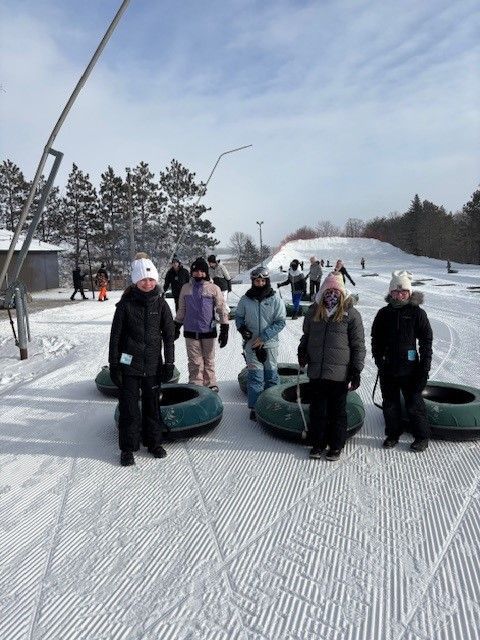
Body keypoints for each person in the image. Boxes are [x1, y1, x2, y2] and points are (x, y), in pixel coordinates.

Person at [109, 256, 175, 466]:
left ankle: (153, 442)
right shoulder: (125, 305)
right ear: (136, 282)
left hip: (153, 365)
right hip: (129, 365)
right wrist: (114, 364)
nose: (148, 283)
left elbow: (168, 336)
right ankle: (128, 448)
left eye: (151, 280)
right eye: (143, 280)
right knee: (129, 408)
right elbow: (115, 337)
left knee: (152, 405)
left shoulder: (161, 304)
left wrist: (169, 363)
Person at [298, 272, 366, 461]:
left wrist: (356, 370)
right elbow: (306, 336)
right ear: (323, 291)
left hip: (339, 374)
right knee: (318, 409)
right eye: (329, 289)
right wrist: (302, 351)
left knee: (337, 411)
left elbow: (358, 345)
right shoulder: (314, 311)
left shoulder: (351, 314)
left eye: (336, 289)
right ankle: (317, 444)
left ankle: (336, 445)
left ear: (342, 292)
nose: (332, 293)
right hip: (317, 371)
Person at [371, 270, 433, 452]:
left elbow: (426, 341)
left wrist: (424, 368)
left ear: (409, 293)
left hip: (411, 369)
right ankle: (392, 434)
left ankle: (422, 436)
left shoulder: (417, 313)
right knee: (390, 404)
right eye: (396, 292)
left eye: (403, 292)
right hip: (388, 368)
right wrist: (378, 359)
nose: (399, 295)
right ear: (391, 293)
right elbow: (376, 338)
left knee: (414, 404)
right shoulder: (383, 313)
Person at [235, 266, 286, 420]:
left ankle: (273, 406)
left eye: (263, 280)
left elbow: (280, 322)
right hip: (251, 346)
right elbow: (238, 317)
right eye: (257, 281)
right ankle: (255, 408)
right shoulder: (245, 299)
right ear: (253, 281)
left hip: (269, 345)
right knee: (256, 377)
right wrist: (242, 329)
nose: (260, 283)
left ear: (267, 281)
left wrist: (263, 337)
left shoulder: (275, 299)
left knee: (271, 376)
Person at [175, 257, 229, 392]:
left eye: (201, 271)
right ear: (192, 272)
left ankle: (210, 383)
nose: (198, 274)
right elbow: (181, 309)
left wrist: (224, 328)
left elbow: (221, 308)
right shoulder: (186, 288)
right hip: (191, 331)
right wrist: (176, 326)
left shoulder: (213, 288)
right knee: (194, 361)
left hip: (208, 331)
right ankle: (196, 383)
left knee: (209, 359)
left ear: (206, 272)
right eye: (196, 271)